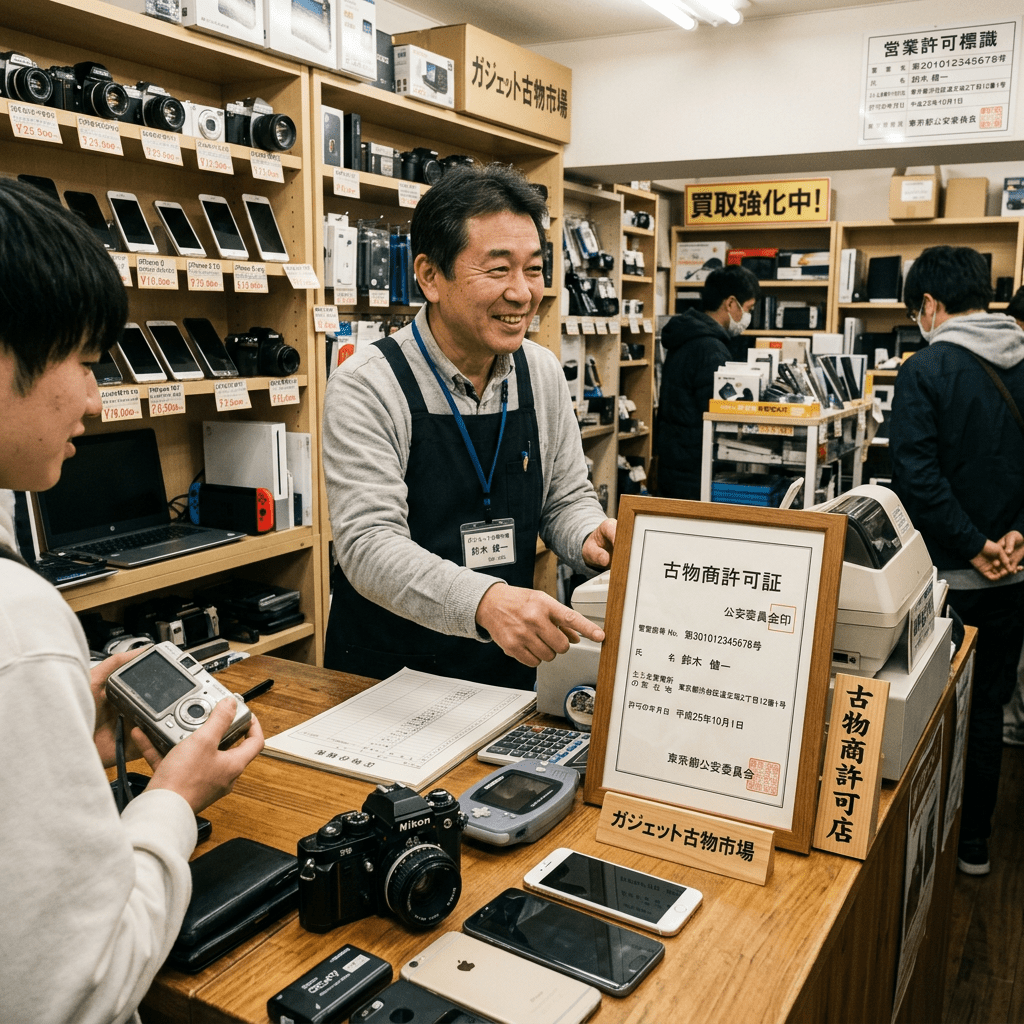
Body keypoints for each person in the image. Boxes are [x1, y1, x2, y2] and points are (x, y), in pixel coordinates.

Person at [0, 179, 265, 1024]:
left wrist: (51, 715)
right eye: (82, 361)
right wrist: (173, 804)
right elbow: (76, 991)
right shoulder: (19, 625)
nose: (94, 399)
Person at [322, 163, 614, 689]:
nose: (522, 293)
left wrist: (591, 537)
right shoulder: (367, 383)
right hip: (386, 674)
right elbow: (367, 544)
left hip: (507, 663)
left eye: (533, 269)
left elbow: (565, 498)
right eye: (498, 269)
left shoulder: (540, 371)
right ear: (430, 276)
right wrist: (485, 600)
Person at [889, 245, 1024, 877]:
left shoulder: (927, 369)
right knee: (989, 706)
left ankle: (926, 851)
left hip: (947, 580)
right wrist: (1015, 539)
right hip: (1014, 575)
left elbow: (916, 477)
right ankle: (974, 845)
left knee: (930, 708)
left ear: (931, 304)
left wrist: (971, 545)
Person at [654, 265, 761, 500]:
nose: (748, 317)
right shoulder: (710, 348)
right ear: (731, 303)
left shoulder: (688, 336)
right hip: (695, 472)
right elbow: (717, 415)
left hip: (674, 464)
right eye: (749, 308)